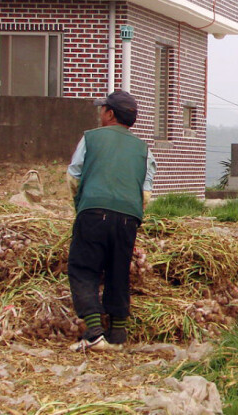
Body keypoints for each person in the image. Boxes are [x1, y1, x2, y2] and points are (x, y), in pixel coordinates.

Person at [66, 90, 156, 352]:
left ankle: (94, 333)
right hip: (128, 217)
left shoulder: (91, 138)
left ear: (111, 114)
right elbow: (146, 192)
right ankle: (117, 334)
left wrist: (80, 205)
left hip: (93, 211)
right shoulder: (143, 149)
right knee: (118, 270)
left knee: (84, 268)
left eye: (102, 108)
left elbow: (74, 177)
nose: (100, 112)